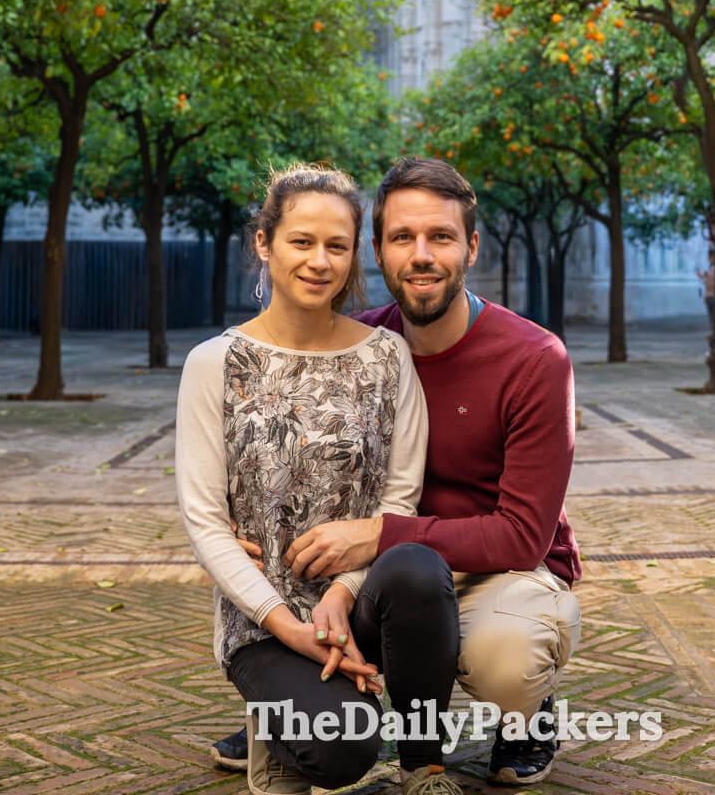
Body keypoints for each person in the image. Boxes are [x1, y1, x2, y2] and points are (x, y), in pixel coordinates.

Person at [210, 157, 583, 785]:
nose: (422, 255)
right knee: (395, 583)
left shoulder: (535, 358)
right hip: (382, 576)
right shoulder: (358, 346)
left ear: (471, 246)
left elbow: (521, 534)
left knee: (506, 663)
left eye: (440, 236)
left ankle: (526, 712)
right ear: (376, 251)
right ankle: (302, 708)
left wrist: (383, 535)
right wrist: (234, 527)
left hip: (501, 569)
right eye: (401, 238)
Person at [177, 164, 465, 795]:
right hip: (264, 619)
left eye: (336, 246)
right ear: (264, 243)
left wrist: (343, 590)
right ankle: (276, 722)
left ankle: (426, 767)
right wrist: (289, 626)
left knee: (418, 564)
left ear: (354, 251)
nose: (319, 262)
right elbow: (203, 520)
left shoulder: (386, 356)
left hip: (357, 602)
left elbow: (398, 499)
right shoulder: (214, 364)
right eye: (301, 242)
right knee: (340, 753)